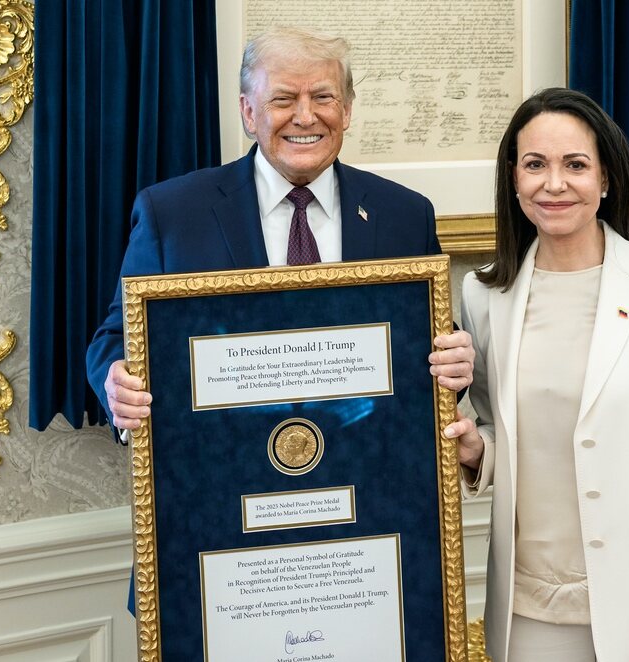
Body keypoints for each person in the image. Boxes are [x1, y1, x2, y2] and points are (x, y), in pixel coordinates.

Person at [443, 88, 629, 661]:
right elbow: (494, 430)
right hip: (529, 608)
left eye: (575, 165)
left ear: (605, 179)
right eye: (535, 165)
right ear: (513, 179)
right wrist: (473, 450)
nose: (553, 184)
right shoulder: (483, 295)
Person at [86, 26, 473, 426]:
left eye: (323, 97)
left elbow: (429, 345)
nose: (305, 117)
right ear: (249, 112)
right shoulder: (171, 215)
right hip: (224, 466)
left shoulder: (405, 215)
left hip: (366, 464)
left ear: (347, 109)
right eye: (284, 99)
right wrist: (116, 382)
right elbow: (117, 338)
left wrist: (455, 364)